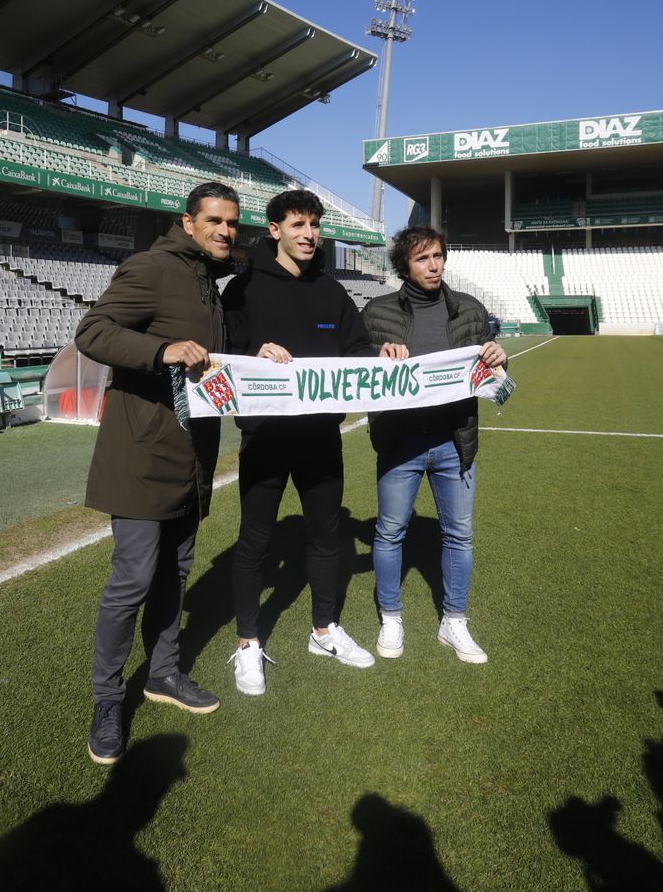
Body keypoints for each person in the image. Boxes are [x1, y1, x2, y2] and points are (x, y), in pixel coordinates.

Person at [75, 181, 241, 764]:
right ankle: (106, 699)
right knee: (133, 581)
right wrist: (162, 350)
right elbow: (92, 332)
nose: (225, 231)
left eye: (232, 223)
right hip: (143, 456)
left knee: (176, 573)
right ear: (188, 221)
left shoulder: (209, 285)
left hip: (193, 456)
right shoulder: (151, 267)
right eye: (215, 220)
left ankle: (163, 675)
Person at [221, 189, 404, 694]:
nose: (309, 234)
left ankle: (324, 630)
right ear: (274, 229)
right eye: (298, 224)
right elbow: (222, 354)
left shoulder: (332, 291)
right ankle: (247, 645)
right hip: (265, 438)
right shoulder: (241, 289)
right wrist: (256, 355)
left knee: (327, 536)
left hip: (322, 437)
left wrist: (380, 352)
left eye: (315, 225)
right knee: (255, 541)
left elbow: (356, 349)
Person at [361, 225, 506, 663]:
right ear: (404, 263)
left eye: (439, 255)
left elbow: (491, 378)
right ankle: (391, 615)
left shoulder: (470, 310)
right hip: (399, 443)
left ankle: (454, 621)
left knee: (459, 534)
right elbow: (356, 368)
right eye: (423, 258)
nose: (434, 265)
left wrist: (498, 360)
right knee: (389, 533)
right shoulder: (378, 311)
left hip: (453, 442)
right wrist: (376, 356)